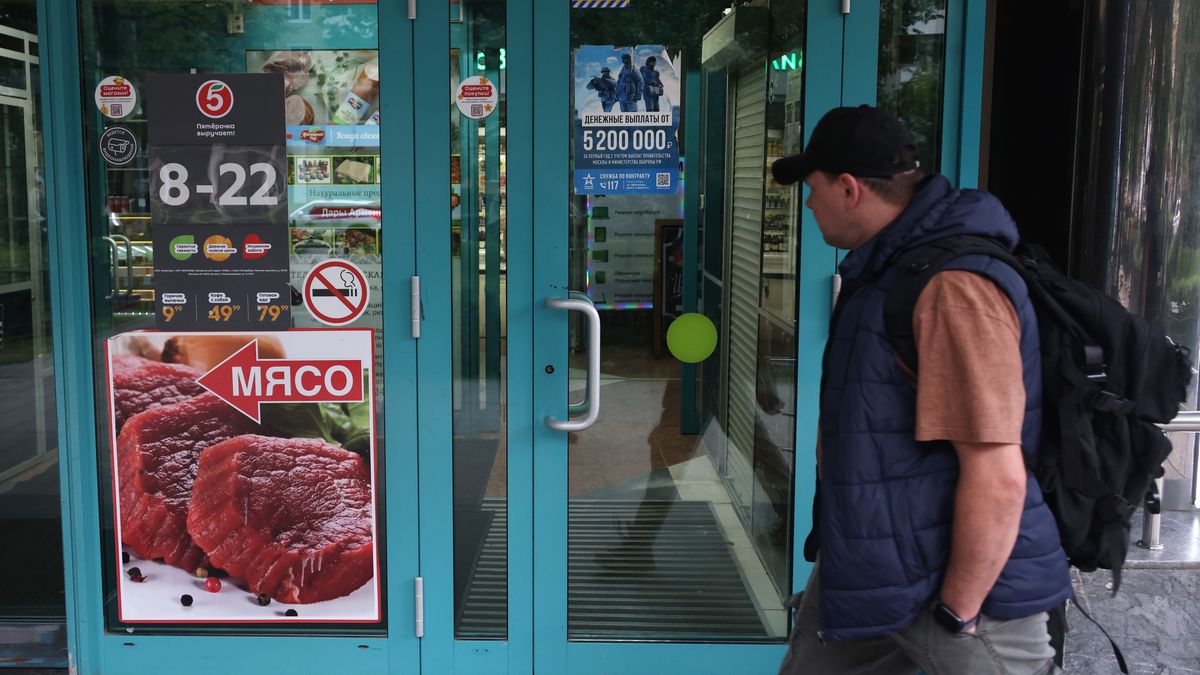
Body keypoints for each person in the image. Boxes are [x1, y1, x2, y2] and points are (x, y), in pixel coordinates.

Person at [771, 105, 1073, 675]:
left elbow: (998, 474)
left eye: (812, 189)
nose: (808, 204)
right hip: (873, 572)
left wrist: (957, 613)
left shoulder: (953, 288)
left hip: (962, 599)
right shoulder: (888, 271)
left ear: (849, 188)